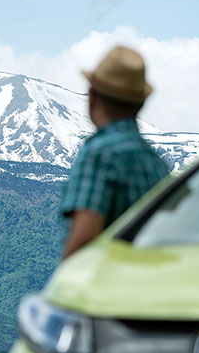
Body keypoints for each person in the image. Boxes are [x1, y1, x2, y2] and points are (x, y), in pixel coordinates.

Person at [59, 45, 169, 258]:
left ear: (92, 97)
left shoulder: (99, 153)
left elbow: (85, 237)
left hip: (107, 283)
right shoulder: (156, 161)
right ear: (141, 104)